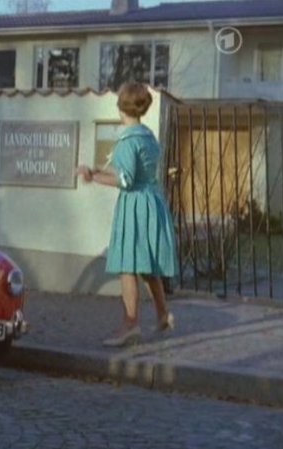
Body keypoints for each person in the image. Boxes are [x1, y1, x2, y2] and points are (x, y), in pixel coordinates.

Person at [76, 82, 176, 347]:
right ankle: (163, 314)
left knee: (128, 266)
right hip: (151, 202)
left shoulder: (128, 140)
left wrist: (93, 178)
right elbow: (135, 172)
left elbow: (126, 179)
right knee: (147, 266)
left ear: (121, 106)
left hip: (135, 205)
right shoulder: (147, 136)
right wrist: (97, 169)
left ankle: (131, 324)